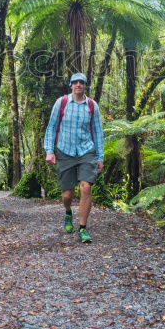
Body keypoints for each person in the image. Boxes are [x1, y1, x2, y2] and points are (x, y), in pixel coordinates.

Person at [44, 72, 104, 243]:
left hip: (86, 151)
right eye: (75, 82)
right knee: (67, 194)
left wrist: (100, 157)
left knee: (85, 188)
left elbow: (98, 132)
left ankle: (83, 228)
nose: (78, 85)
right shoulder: (61, 103)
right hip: (65, 151)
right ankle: (68, 212)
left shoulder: (92, 106)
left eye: (82, 82)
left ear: (85, 86)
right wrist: (49, 150)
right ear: (70, 85)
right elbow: (51, 127)